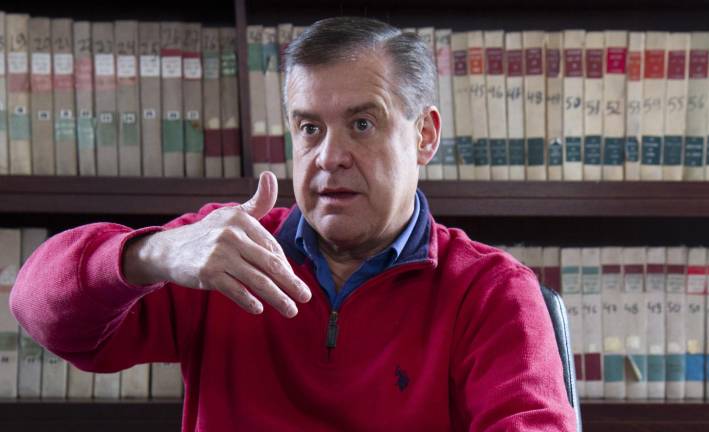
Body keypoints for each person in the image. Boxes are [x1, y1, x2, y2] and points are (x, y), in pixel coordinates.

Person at [11, 17, 576, 431]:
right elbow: (38, 310)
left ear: (424, 136)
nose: (329, 157)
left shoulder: (492, 293)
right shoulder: (223, 249)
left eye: (361, 124)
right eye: (309, 128)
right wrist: (152, 254)